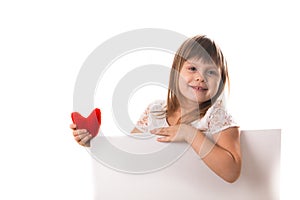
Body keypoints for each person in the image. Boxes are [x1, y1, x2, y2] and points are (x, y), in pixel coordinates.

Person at [70, 35, 241, 183]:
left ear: (220, 83)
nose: (200, 77)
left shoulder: (215, 116)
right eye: (192, 68)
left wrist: (189, 134)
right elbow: (130, 155)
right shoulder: (155, 111)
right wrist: (94, 143)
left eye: (211, 72)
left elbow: (232, 172)